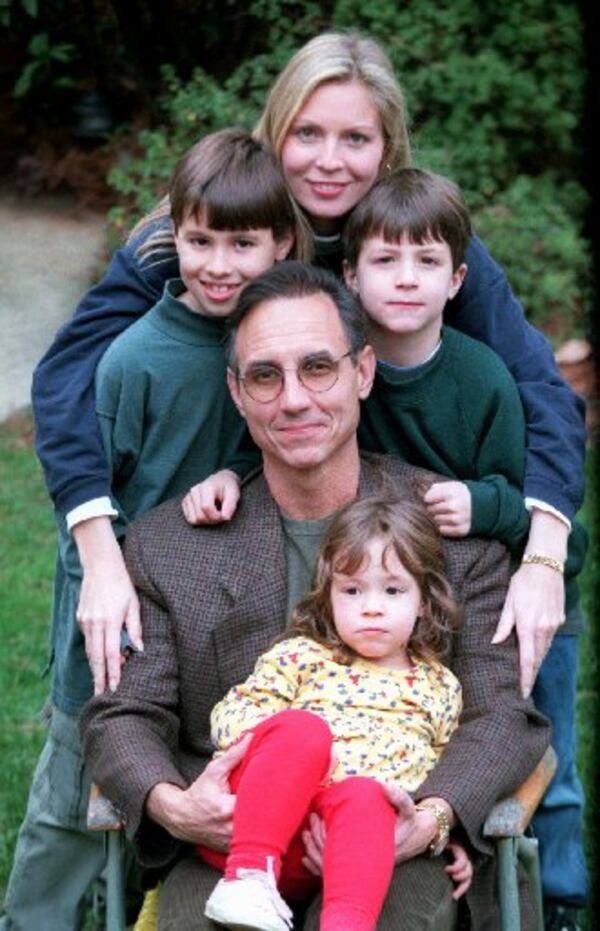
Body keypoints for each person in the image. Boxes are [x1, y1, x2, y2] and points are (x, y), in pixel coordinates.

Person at [23, 29, 585, 926]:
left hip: (411, 515)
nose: (329, 160)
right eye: (309, 134)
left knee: (523, 655)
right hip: (198, 508)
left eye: (355, 138)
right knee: (88, 704)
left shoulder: (409, 242)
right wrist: (104, 543)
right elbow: (62, 379)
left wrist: (544, 547)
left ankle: (554, 884)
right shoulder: (195, 228)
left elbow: (542, 395)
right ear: (276, 132)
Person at [81, 261, 550, 931]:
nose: (294, 399)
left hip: (394, 829)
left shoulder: (450, 531)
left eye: (318, 367)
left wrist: (431, 819)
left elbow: (503, 713)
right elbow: (123, 711)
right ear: (237, 393)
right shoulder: (167, 546)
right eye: (266, 375)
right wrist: (172, 803)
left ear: (363, 372)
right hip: (227, 841)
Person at [187, 166, 590, 929]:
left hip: (498, 565)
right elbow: (300, 437)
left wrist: (491, 509)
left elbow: (520, 482)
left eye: (426, 262)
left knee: (550, 754)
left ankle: (559, 897)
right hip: (384, 550)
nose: (405, 280)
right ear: (351, 271)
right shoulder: (331, 352)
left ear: (458, 278)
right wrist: (236, 476)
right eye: (385, 260)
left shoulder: (483, 376)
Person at [0, 129, 302, 931]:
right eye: (200, 241)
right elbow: (86, 505)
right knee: (73, 798)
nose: (219, 264)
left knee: (170, 795)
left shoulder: (274, 347)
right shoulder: (132, 359)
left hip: (222, 627)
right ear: (174, 240)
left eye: (243, 244)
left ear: (282, 243)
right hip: (118, 620)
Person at [201, 495, 472, 931]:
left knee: (368, 796)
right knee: (302, 731)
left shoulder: (439, 687)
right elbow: (234, 718)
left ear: (423, 600)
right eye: (352, 590)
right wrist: (299, 760)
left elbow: (441, 770)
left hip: (353, 851)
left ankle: (345, 924)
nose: (371, 606)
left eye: (393, 590)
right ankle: (248, 881)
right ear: (328, 596)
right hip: (260, 826)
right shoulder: (301, 656)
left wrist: (443, 836)